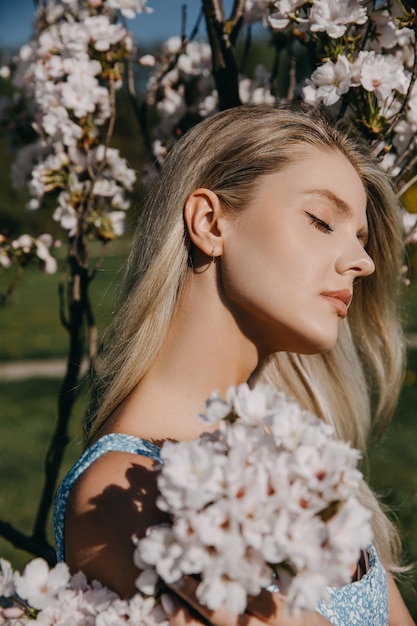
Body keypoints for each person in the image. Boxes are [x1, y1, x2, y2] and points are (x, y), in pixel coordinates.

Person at [54, 103, 415, 625]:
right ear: (209, 222)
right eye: (321, 220)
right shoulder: (125, 495)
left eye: (359, 239)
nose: (364, 261)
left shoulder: (293, 458)